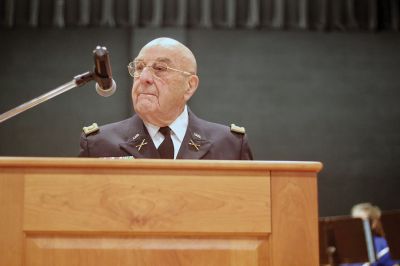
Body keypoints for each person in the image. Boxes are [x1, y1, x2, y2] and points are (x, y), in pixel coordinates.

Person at [79, 37, 253, 160]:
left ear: (189, 85)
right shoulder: (98, 144)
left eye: (160, 68)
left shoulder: (229, 145)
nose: (144, 78)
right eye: (139, 67)